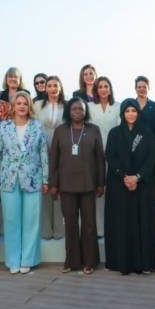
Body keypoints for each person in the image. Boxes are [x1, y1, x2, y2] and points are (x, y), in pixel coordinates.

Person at [49, 98, 106, 274]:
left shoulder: (94, 129)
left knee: (89, 225)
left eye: (81, 109)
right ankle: (71, 262)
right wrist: (53, 184)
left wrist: (101, 183)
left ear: (85, 111)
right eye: (74, 109)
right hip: (66, 186)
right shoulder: (60, 130)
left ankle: (89, 262)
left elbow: (100, 159)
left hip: (89, 185)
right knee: (71, 224)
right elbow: (53, 159)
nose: (77, 112)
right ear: (68, 111)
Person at [0, 91, 49, 274]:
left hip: (33, 178)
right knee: (11, 220)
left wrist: (45, 179)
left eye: (25, 103)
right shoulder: (4, 127)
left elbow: (43, 154)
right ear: (13, 106)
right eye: (18, 103)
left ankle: (28, 259)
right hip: (8, 179)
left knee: (31, 220)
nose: (22, 106)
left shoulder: (37, 126)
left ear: (29, 107)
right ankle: (13, 260)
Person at [104, 99, 155, 275]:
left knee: (143, 223)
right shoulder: (114, 133)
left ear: (138, 112)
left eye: (133, 110)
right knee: (121, 224)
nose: (131, 114)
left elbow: (151, 158)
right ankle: (121, 263)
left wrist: (137, 177)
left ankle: (145, 264)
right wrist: (125, 177)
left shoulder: (147, 133)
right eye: (127, 111)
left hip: (142, 186)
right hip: (119, 185)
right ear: (122, 113)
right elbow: (110, 157)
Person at [134, 76, 155, 239]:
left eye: (144, 86)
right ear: (135, 88)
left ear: (149, 88)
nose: (142, 89)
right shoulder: (130, 105)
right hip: (135, 151)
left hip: (152, 149)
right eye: (139, 86)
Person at [34, 76, 66, 240]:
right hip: (41, 150)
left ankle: (59, 230)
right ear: (45, 89)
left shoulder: (67, 105)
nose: (53, 88)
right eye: (50, 86)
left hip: (63, 151)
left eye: (55, 85)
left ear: (60, 88)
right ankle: (46, 230)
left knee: (60, 189)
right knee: (45, 188)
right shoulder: (37, 105)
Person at [88, 76, 120, 237]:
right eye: (100, 87)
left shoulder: (118, 106)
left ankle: (113, 227)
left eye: (106, 86)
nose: (103, 89)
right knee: (98, 191)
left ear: (110, 89)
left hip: (114, 154)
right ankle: (99, 229)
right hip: (94, 153)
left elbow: (120, 130)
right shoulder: (89, 107)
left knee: (113, 192)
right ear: (96, 90)